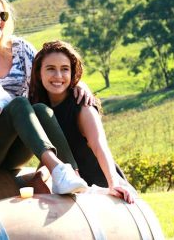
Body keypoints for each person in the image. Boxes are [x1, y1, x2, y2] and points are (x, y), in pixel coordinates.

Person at [0, 0, 93, 192]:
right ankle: (58, 170)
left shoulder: (21, 49)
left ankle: (73, 175)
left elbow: (49, 74)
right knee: (20, 104)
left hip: (18, 147)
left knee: (41, 110)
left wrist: (77, 83)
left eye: (2, 15)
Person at [28, 40, 135, 204]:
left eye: (65, 69)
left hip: (102, 185)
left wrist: (114, 184)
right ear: (38, 73)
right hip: (72, 191)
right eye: (51, 69)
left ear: (72, 73)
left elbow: (99, 145)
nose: (58, 76)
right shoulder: (39, 109)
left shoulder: (82, 105)